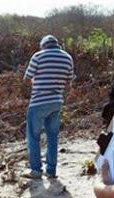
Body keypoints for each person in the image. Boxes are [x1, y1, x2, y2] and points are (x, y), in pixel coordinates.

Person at [23, 35, 75, 179]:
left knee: (34, 136)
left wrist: (36, 83)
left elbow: (27, 78)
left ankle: (36, 170)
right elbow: (69, 81)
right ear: (57, 45)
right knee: (52, 137)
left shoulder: (38, 56)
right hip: (57, 101)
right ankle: (51, 170)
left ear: (43, 45)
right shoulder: (67, 58)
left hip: (39, 102)